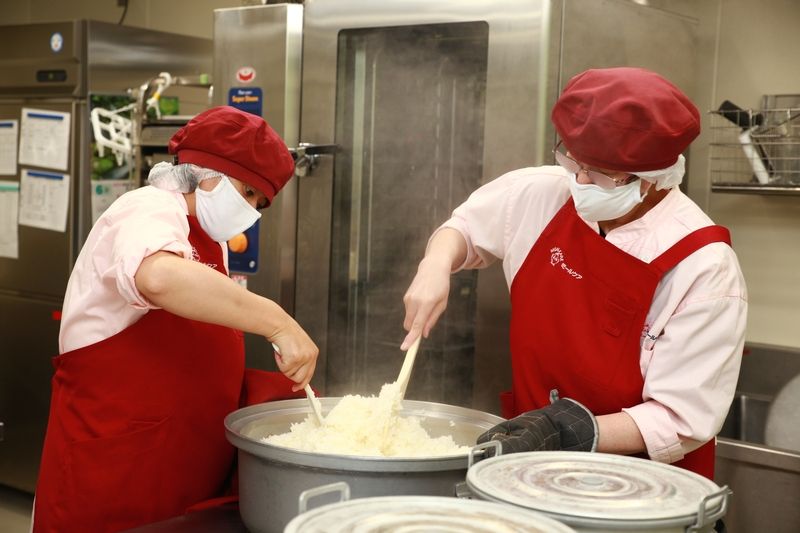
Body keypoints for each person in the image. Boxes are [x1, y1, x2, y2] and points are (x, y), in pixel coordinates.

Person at [401, 67, 747, 481]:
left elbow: (681, 417)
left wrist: (565, 429)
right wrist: (435, 265)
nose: (579, 181)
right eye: (572, 161)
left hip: (637, 489)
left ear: (653, 180)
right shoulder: (543, 192)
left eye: (599, 174)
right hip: (529, 467)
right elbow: (466, 228)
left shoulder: (703, 266)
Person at [33, 106, 319, 533]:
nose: (252, 211)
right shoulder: (143, 209)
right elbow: (159, 277)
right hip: (116, 471)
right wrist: (279, 322)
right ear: (209, 174)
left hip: (181, 471)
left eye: (260, 204)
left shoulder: (207, 239)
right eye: (247, 193)